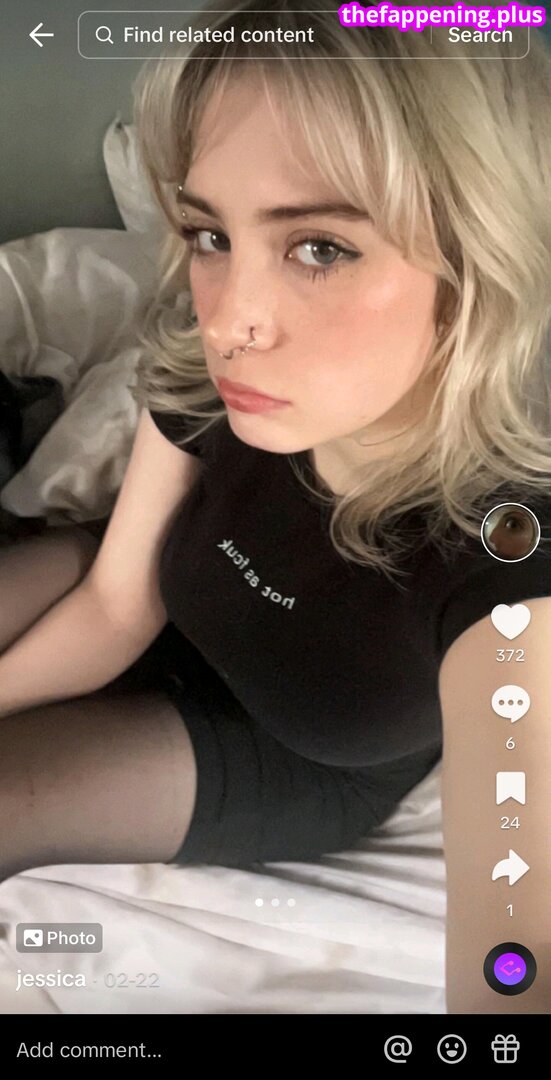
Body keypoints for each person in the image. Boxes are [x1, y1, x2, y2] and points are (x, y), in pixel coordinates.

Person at [1, 0, 550, 1012]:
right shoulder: (204, 376)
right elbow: (115, 605)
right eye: (210, 233)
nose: (230, 322)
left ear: (479, 259)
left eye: (319, 248)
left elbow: (515, 930)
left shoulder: (509, 557)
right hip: (160, 603)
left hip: (284, 750)